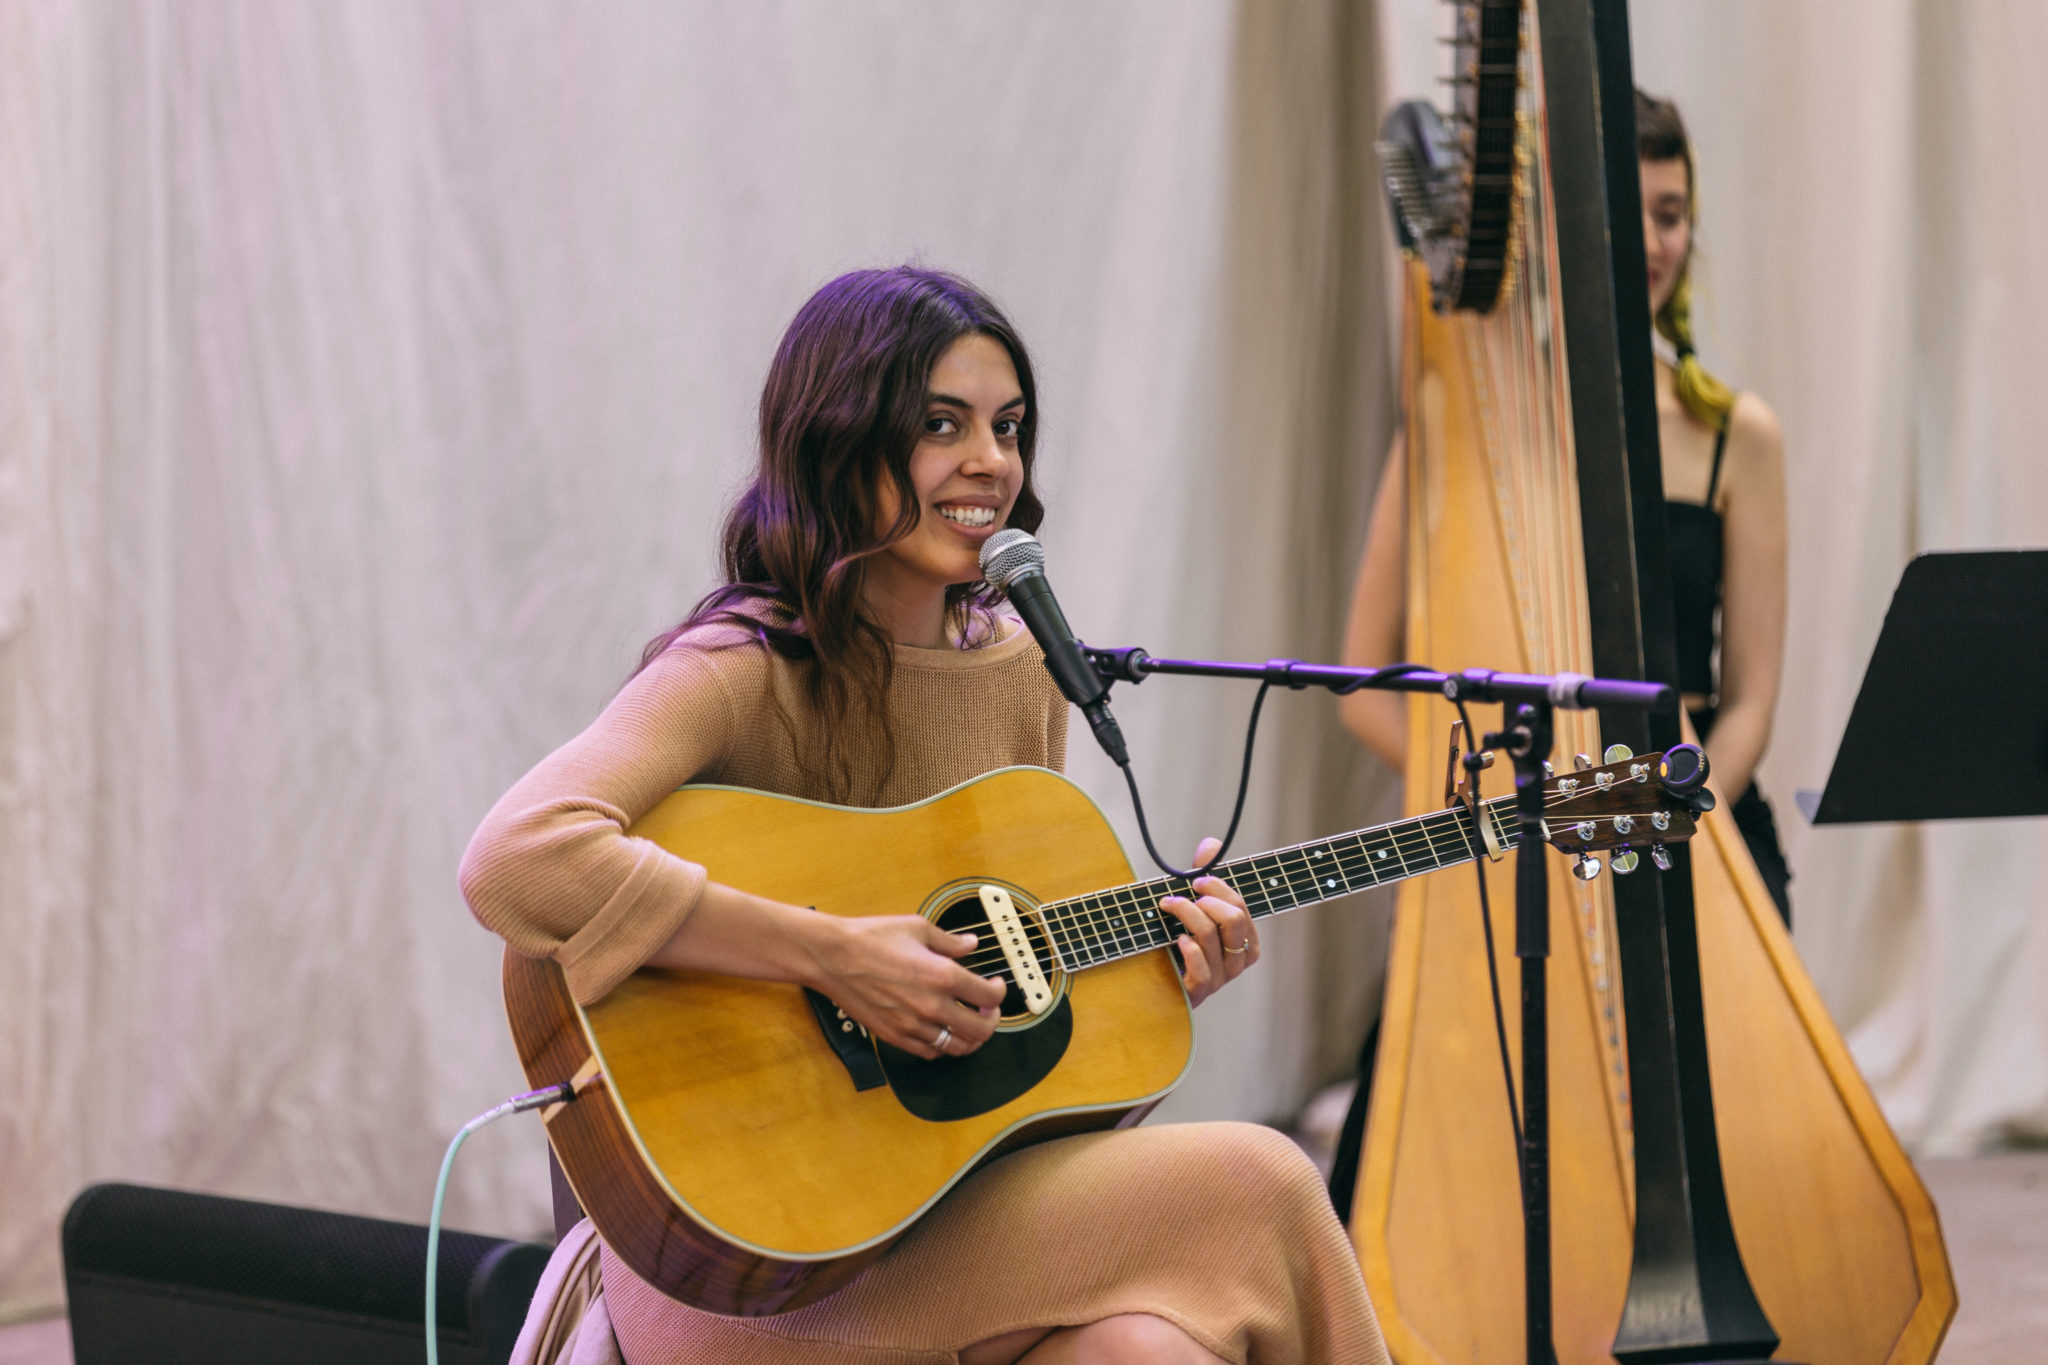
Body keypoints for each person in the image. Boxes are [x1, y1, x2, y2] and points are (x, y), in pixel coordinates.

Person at [461, 267, 1389, 1364]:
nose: (990, 462)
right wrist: (835, 956)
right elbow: (513, 858)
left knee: (1149, 1351)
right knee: (1265, 1178)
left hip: (938, 1221)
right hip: (745, 1276)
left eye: (1008, 427)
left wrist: (1139, 987)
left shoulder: (1019, 671)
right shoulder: (739, 668)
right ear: (839, 440)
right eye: (940, 424)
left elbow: (992, 1088)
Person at [1323, 90, 1792, 1223]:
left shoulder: (1737, 433)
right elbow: (1356, 683)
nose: (1653, 241)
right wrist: (1497, 813)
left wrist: (1665, 811)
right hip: (1512, 832)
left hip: (1697, 822)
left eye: (1672, 213)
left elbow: (1749, 704)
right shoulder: (1454, 428)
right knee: (1425, 1167)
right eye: (1625, 214)